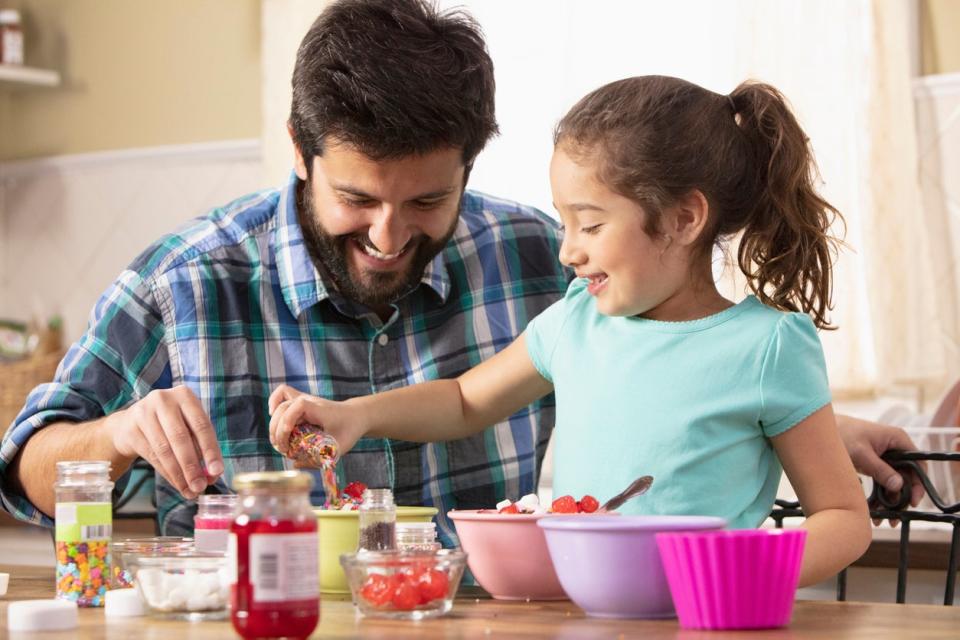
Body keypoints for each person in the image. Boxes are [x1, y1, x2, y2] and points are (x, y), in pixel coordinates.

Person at [0, 0, 919, 548]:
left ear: (471, 166)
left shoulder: (541, 259)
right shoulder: (185, 281)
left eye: (428, 201)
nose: (391, 236)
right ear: (299, 151)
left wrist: (810, 420)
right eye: (359, 198)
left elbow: (660, 368)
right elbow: (25, 472)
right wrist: (117, 433)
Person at [269, 75, 874, 586]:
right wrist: (356, 416)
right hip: (582, 615)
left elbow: (845, 518)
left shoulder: (767, 347)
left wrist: (742, 567)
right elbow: (461, 401)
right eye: (564, 224)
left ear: (683, 219)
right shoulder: (575, 321)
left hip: (705, 620)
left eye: (589, 225)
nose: (567, 253)